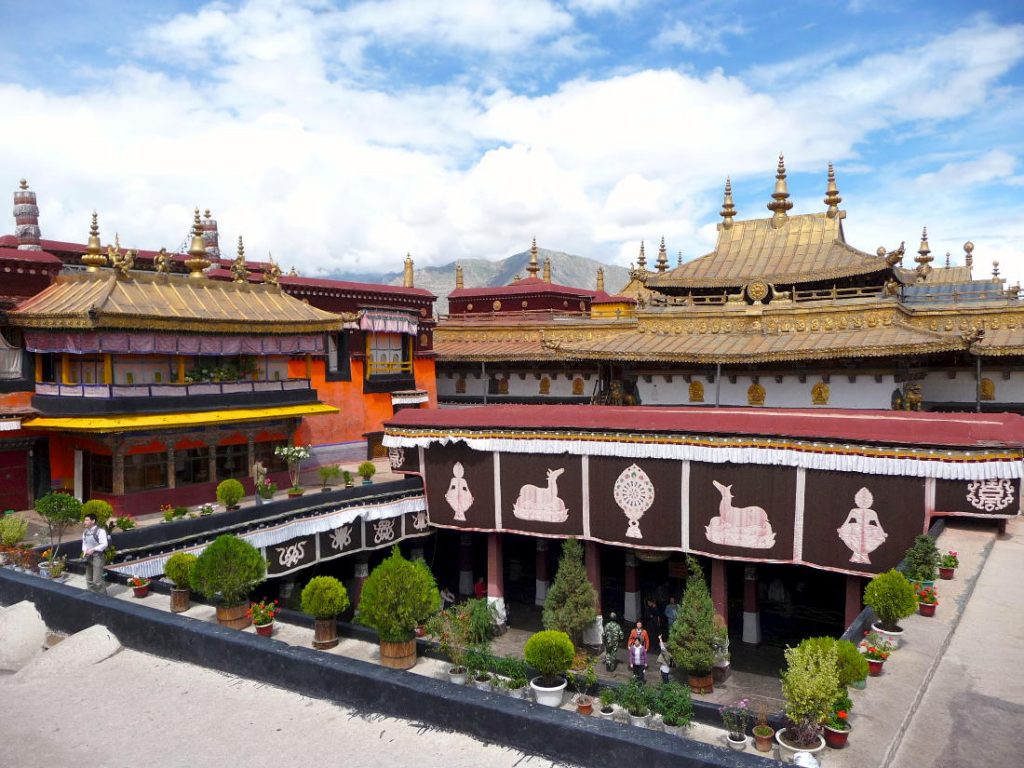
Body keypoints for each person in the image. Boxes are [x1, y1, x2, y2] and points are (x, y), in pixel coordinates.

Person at [81, 513, 108, 595]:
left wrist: (93, 549)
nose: (84, 522)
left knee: (97, 581)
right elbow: (84, 543)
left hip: (98, 557)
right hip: (88, 557)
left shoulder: (101, 531)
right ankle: (93, 596)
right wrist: (85, 550)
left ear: (93, 521)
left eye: (87, 520)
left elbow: (104, 544)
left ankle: (104, 598)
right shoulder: (85, 532)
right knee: (89, 579)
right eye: (84, 520)